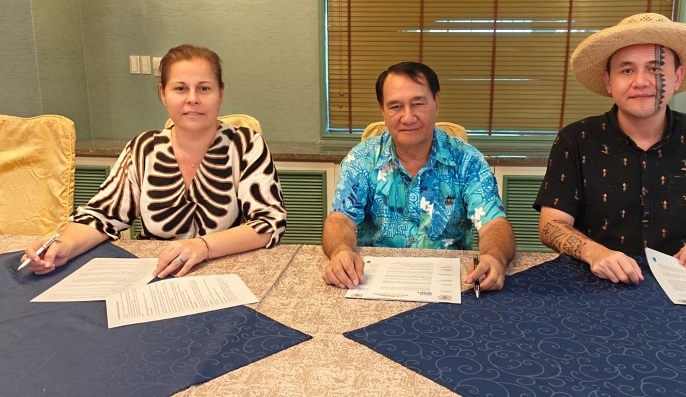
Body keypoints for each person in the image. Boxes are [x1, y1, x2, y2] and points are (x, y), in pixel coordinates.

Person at [21, 44, 287, 278]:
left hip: (226, 271)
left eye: (204, 88)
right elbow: (102, 215)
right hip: (155, 274)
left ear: (221, 93)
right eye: (180, 88)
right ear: (163, 93)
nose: (192, 98)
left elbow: (269, 222)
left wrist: (204, 246)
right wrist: (62, 246)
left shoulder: (245, 144)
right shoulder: (143, 148)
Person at [534, 13, 686, 284]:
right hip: (595, 282)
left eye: (655, 69)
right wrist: (594, 252)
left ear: (677, 77)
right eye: (627, 70)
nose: (641, 81)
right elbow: (551, 225)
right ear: (608, 81)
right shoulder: (576, 139)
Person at [322, 62, 516, 291]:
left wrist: (495, 256)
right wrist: (341, 250)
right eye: (395, 106)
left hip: (452, 284)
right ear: (382, 110)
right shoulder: (362, 159)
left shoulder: (467, 160)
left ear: (436, 102)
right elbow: (340, 220)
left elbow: (494, 224)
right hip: (370, 282)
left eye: (418, 103)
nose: (408, 117)